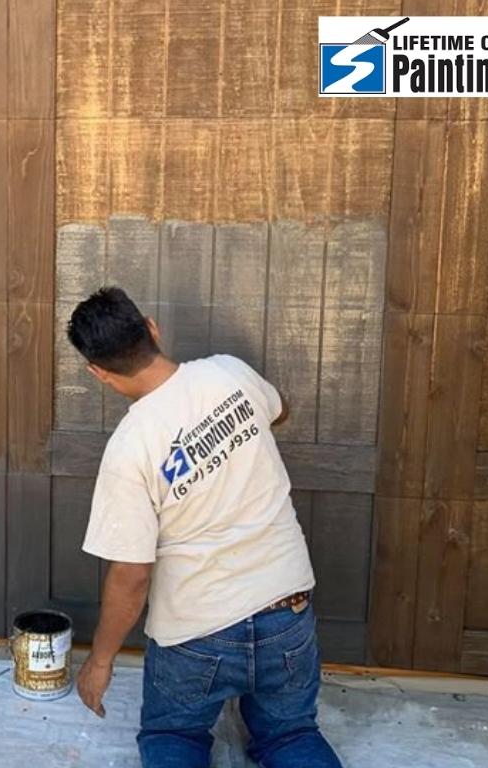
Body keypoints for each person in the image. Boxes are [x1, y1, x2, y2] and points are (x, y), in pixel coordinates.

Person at [67, 287, 342, 768]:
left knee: (175, 735)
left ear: (99, 373)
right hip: (287, 614)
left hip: (199, 636)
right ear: (152, 328)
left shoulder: (130, 447)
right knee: (291, 736)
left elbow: (131, 575)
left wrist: (100, 660)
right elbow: (280, 410)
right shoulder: (229, 372)